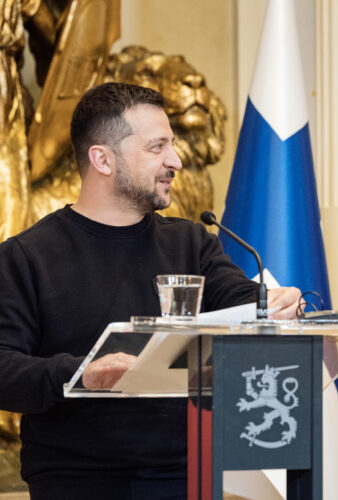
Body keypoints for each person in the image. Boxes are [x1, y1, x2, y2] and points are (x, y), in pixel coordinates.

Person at [0, 82, 302, 499]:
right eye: (157, 147)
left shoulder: (191, 243)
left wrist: (275, 306)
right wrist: (82, 374)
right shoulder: (27, 256)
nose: (175, 161)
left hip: (189, 476)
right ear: (102, 159)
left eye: (172, 145)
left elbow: (240, 301)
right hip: (76, 482)